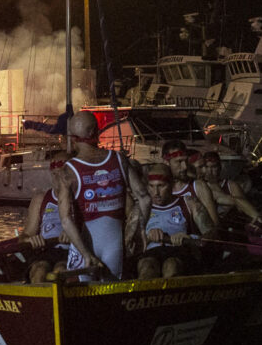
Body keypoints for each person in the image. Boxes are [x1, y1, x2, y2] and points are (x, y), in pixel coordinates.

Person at [54, 111, 145, 281]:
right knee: (110, 298)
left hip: (84, 247)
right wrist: (135, 233)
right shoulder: (119, 159)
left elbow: (66, 220)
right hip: (115, 244)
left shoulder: (68, 171)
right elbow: (144, 197)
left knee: (80, 301)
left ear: (73, 138)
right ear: (96, 132)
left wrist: (86, 254)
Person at [136, 163, 200, 279]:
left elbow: (211, 235)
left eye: (161, 186)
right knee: (147, 268)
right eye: (151, 186)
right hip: (151, 254)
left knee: (171, 266)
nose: (156, 192)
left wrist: (189, 238)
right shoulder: (140, 208)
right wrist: (147, 237)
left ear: (172, 184)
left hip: (180, 253)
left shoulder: (189, 203)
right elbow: (128, 244)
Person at [19, 151, 69, 284]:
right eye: (54, 172)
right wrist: (30, 239)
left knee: (61, 270)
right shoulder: (40, 199)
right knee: (40, 271)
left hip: (70, 251)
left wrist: (75, 235)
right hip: (44, 252)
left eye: (62, 172)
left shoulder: (80, 198)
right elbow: (24, 237)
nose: (57, 175)